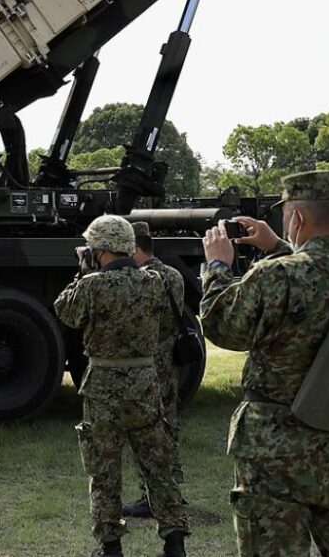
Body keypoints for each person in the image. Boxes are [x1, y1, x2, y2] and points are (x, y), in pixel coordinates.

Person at [201, 170, 329, 556]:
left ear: (298, 219)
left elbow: (224, 328)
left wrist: (219, 268)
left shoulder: (276, 277)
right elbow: (322, 281)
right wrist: (277, 246)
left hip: (275, 451)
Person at [54, 215, 188, 557]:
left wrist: (82, 273)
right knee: (158, 467)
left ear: (100, 249)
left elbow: (65, 312)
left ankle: (110, 546)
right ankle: (174, 542)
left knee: (104, 471)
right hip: (145, 383)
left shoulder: (93, 286)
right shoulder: (155, 282)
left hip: (103, 385)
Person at [122, 222, 185, 519]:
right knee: (169, 426)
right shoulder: (174, 275)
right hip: (169, 360)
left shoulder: (140, 279)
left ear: (135, 249)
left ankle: (151, 497)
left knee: (146, 434)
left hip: (145, 365)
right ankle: (173, 491)